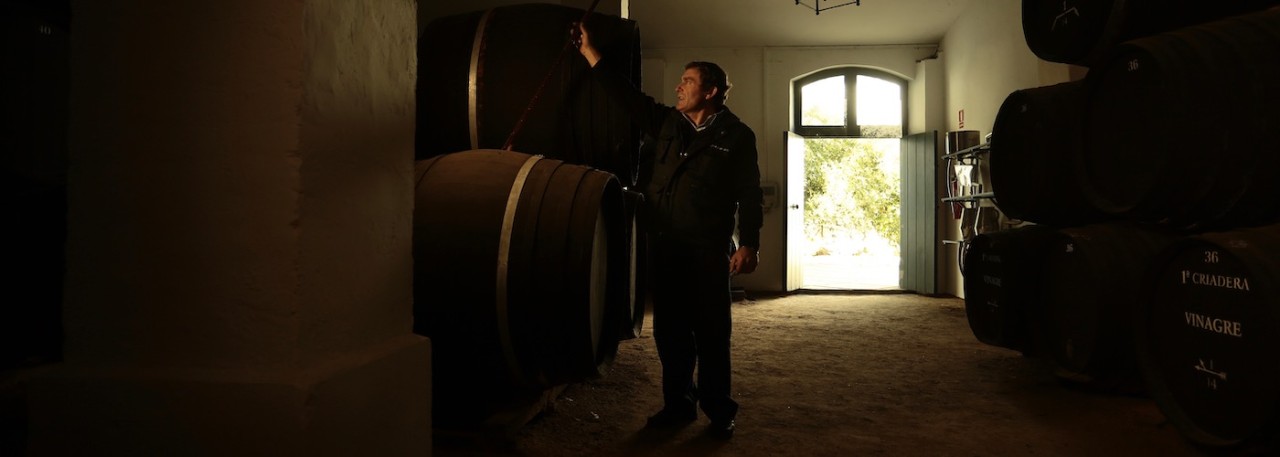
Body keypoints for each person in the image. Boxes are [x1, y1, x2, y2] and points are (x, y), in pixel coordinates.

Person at [576, 23, 764, 440]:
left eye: (688, 82)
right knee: (670, 332)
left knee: (712, 334)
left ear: (711, 91)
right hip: (665, 246)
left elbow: (750, 194)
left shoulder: (737, 137)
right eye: (680, 81)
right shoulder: (667, 124)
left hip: (706, 249)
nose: (679, 88)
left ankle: (719, 411)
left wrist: (749, 243)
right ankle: (678, 405)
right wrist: (591, 53)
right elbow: (625, 96)